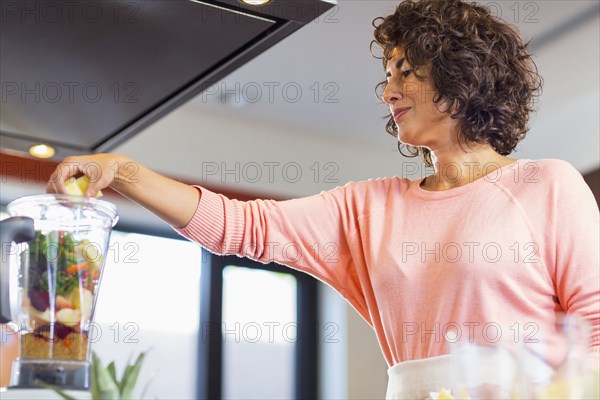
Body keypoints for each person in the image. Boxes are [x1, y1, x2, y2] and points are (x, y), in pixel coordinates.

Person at [47, 0, 599, 398]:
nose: (389, 91)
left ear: (463, 75)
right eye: (387, 75)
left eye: (406, 71)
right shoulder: (368, 208)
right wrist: (122, 170)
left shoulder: (546, 185)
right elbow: (242, 226)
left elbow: (595, 327)